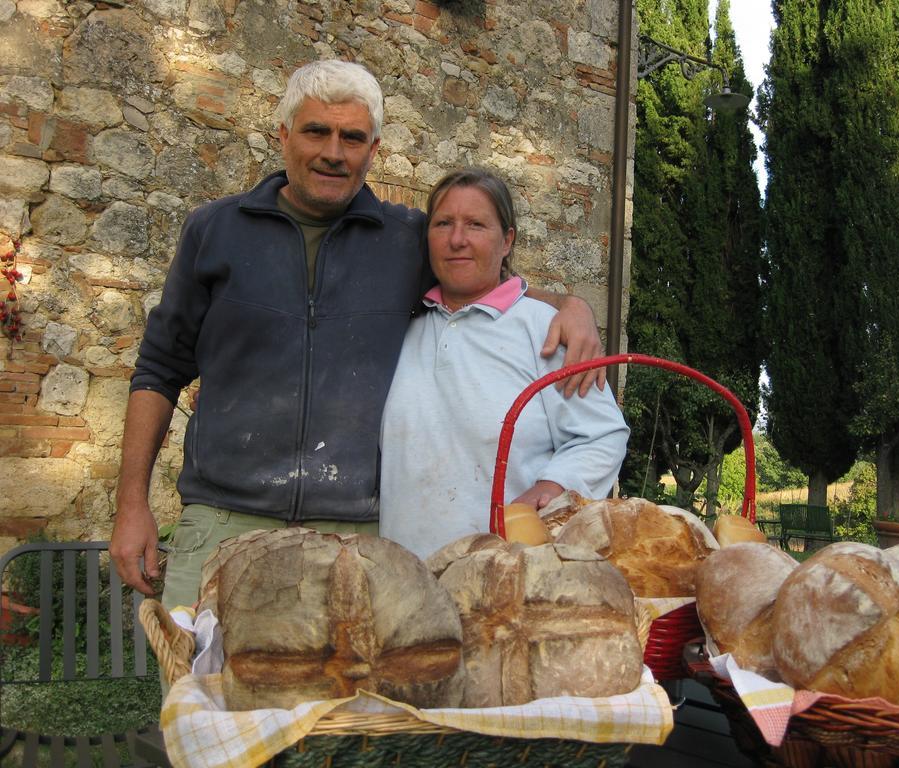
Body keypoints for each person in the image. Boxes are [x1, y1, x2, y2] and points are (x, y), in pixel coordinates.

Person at [110, 60, 606, 610]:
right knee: (197, 691)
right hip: (223, 524)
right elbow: (158, 368)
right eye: (316, 131)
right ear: (284, 136)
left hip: (353, 540)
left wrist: (569, 306)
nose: (333, 152)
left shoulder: (405, 239)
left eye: (353, 138)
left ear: (373, 151)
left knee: (343, 698)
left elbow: (477, 278)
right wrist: (132, 502)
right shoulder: (215, 231)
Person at [379, 168, 629, 559]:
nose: (457, 239)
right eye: (444, 223)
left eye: (476, 225)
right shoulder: (400, 327)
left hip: (507, 574)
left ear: (507, 239)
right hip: (405, 571)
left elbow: (601, 433)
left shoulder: (545, 328)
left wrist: (555, 484)